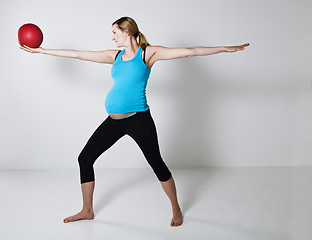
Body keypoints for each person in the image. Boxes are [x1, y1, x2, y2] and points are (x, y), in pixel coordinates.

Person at [20, 16, 249, 227]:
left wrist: (224, 49)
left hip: (139, 120)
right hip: (114, 122)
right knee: (85, 158)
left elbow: (188, 51)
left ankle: (176, 209)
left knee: (157, 164)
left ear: (127, 32)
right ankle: (87, 210)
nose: (112, 37)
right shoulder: (114, 56)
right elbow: (79, 54)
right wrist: (43, 51)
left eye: (115, 32)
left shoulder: (147, 54)